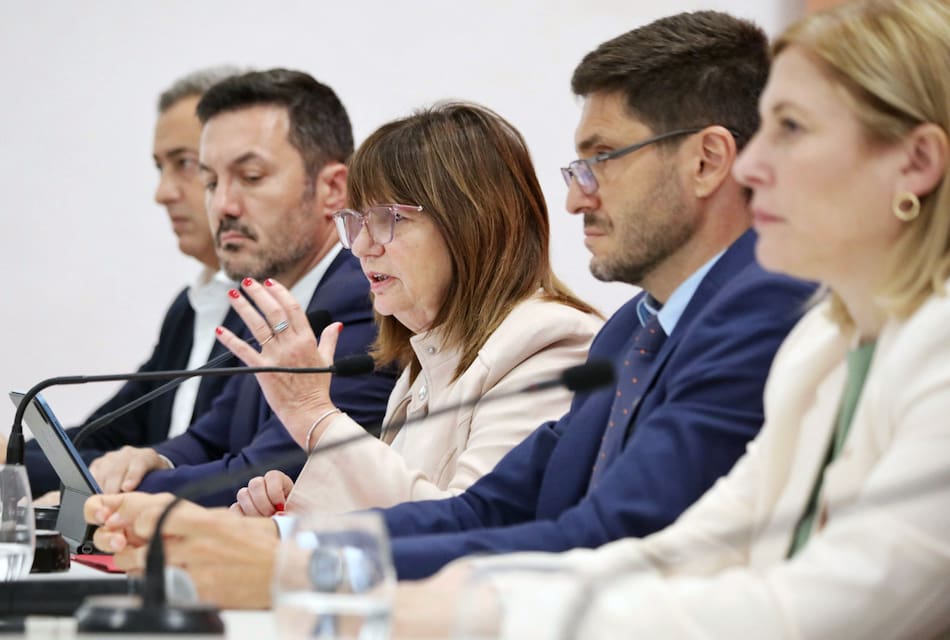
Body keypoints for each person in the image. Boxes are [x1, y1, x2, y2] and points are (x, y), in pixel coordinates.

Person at [83, 11, 815, 609]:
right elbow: (484, 512)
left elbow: (602, 535)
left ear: (708, 160)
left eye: (601, 159)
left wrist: (293, 561)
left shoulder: (738, 311)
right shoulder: (630, 330)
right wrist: (279, 542)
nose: (576, 196)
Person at [391, 0, 950, 637]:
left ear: (916, 164)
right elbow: (686, 549)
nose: (755, 164)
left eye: (790, 129)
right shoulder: (823, 344)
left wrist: (479, 609)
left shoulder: (911, 341)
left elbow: (819, 607)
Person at [218, 102, 602, 515]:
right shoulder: (423, 368)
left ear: (470, 222)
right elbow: (396, 516)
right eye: (357, 222)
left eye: (386, 219)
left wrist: (314, 415)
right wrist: (291, 516)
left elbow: (469, 526)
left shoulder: (549, 344)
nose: (362, 247)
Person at [87, 69, 397, 506]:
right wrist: (155, 460)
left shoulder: (361, 304)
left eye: (250, 177)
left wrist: (108, 493)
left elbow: (268, 472)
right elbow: (209, 437)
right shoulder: (272, 299)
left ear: (332, 189)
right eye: (212, 182)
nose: (224, 206)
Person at [14, 67, 245, 497]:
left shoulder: (277, 308)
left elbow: (219, 462)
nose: (162, 192)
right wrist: (12, 458)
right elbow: (101, 437)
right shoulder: (189, 307)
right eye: (160, 167)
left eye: (186, 165)